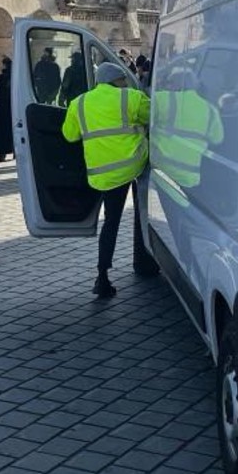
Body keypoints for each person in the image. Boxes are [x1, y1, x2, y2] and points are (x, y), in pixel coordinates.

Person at [61, 61, 153, 298]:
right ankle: (147, 260)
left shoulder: (79, 103)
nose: (125, 82)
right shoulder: (131, 97)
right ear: (118, 80)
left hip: (101, 174)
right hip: (136, 166)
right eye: (123, 79)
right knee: (145, 213)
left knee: (110, 223)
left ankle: (102, 276)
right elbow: (154, 118)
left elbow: (69, 136)